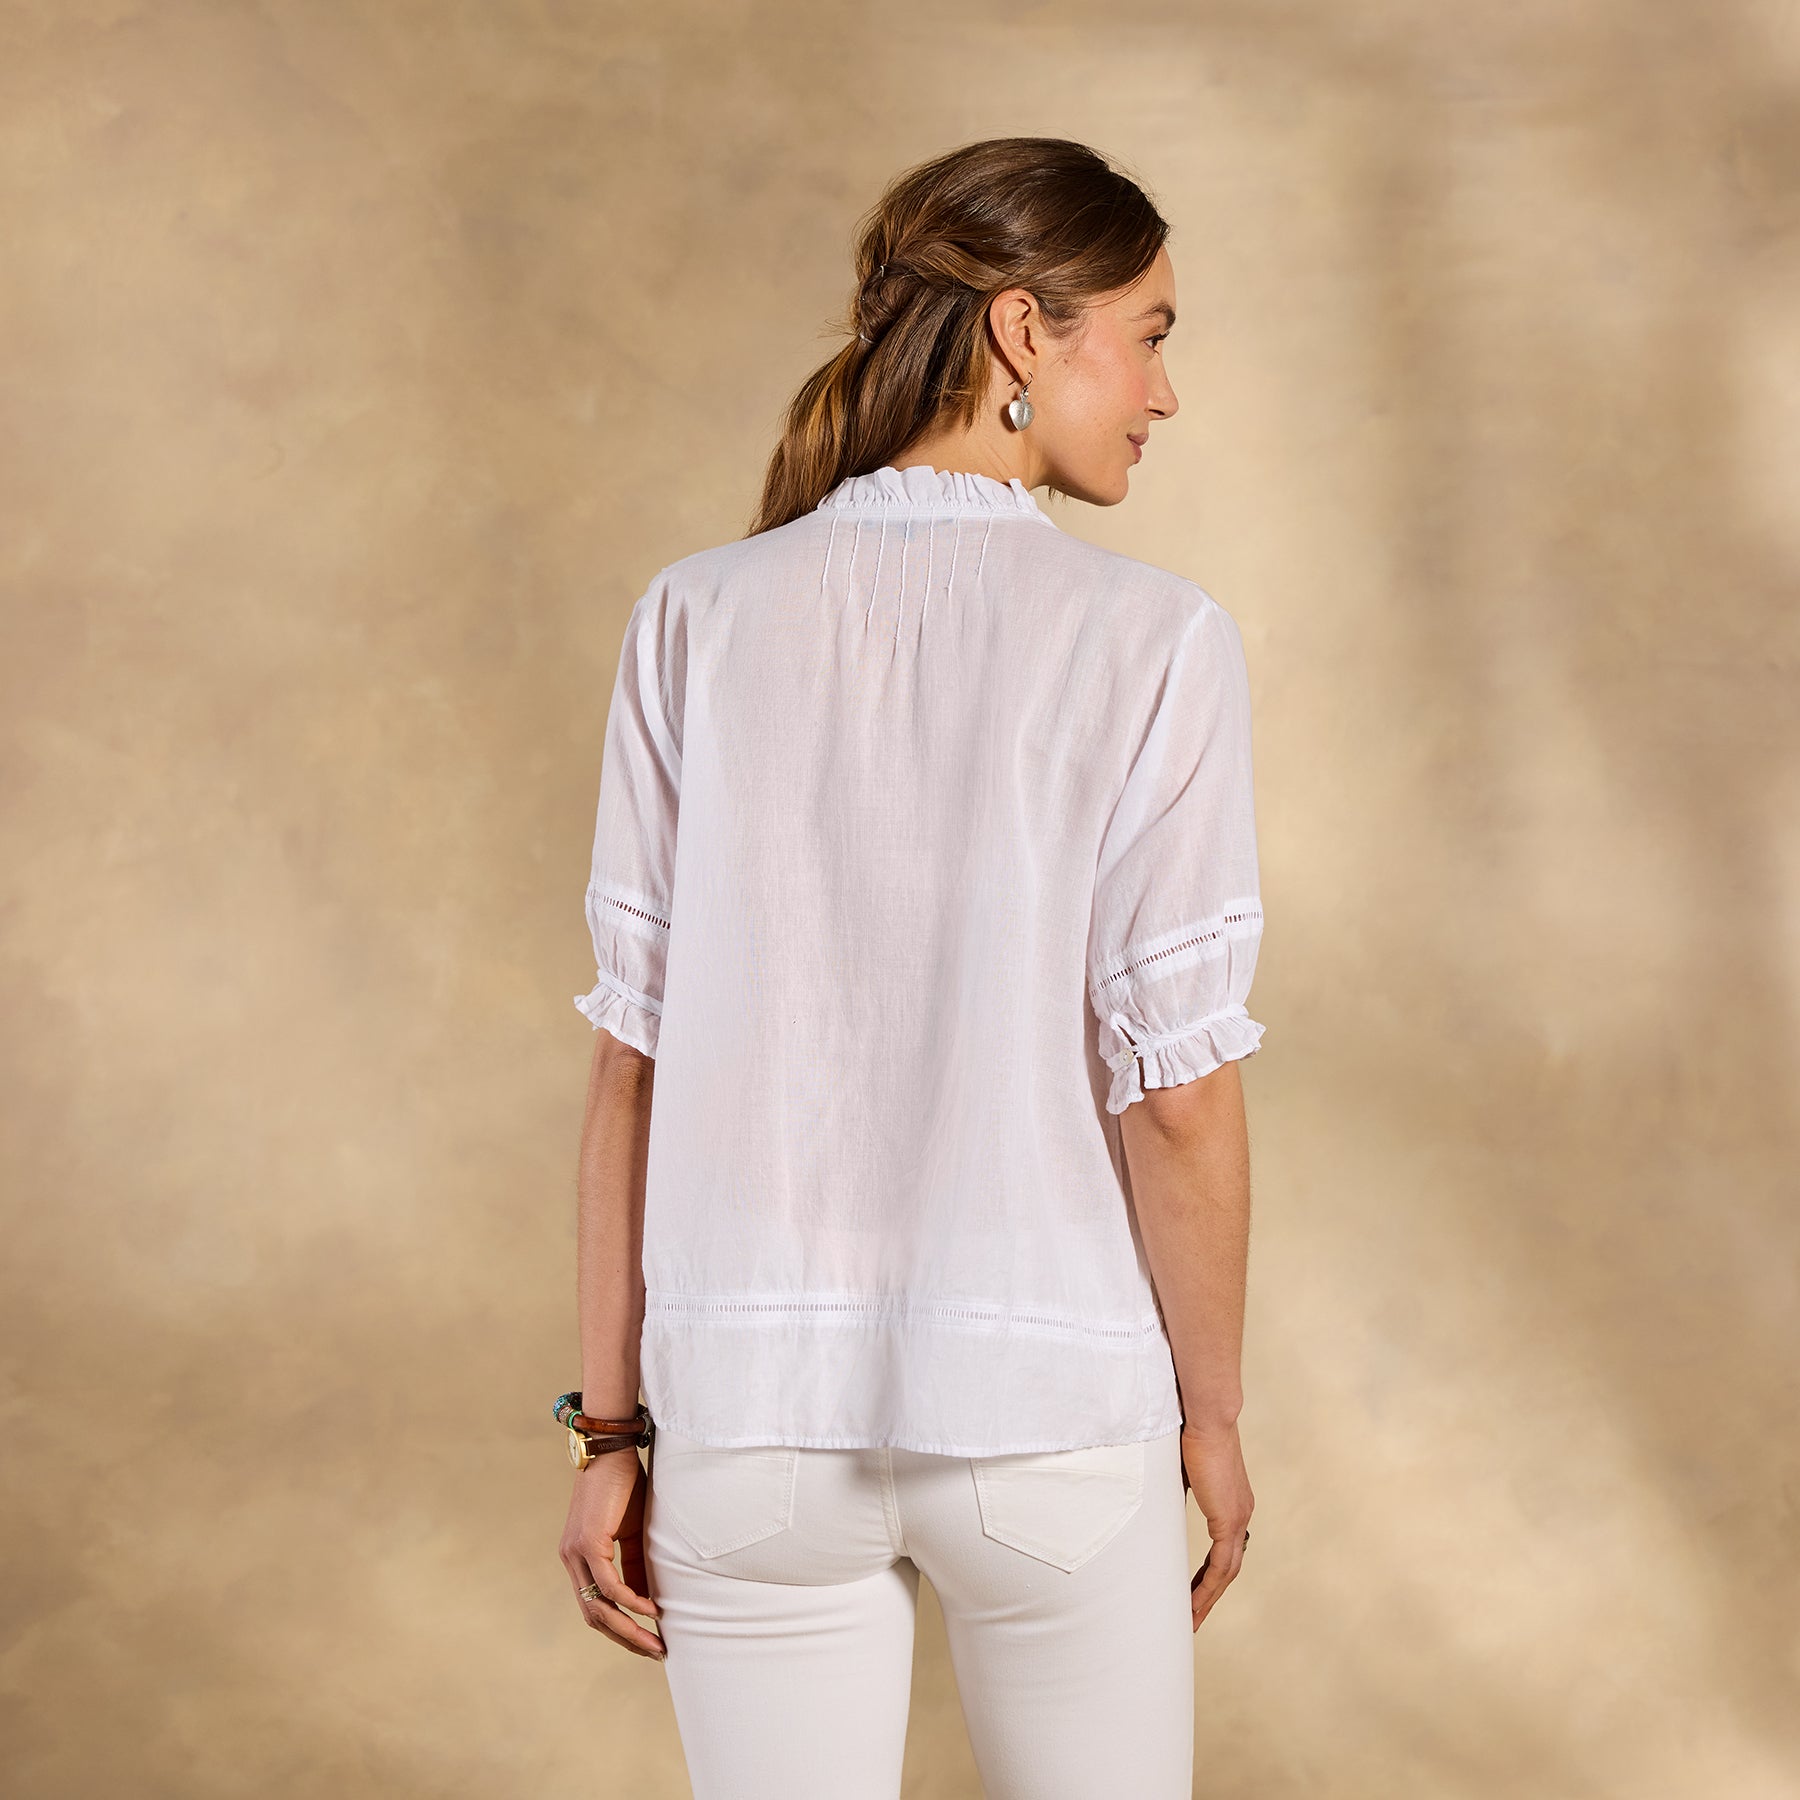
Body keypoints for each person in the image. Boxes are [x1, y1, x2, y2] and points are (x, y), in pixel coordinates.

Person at [556, 135, 1264, 1800]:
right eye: (1149, 336)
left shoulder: (695, 616)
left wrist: (611, 1431)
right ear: (1025, 330)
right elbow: (1177, 1098)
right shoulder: (1154, 641)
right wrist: (1215, 1418)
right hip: (1049, 1407)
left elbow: (633, 1064)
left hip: (747, 1422)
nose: (1164, 394)